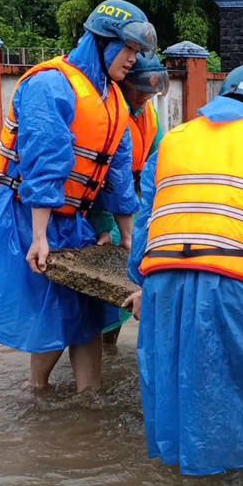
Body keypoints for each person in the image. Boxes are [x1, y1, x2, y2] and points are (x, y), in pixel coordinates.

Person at [0, 0, 158, 392]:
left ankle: (88, 396)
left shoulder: (113, 100)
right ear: (101, 41)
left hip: (70, 217)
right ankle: (37, 391)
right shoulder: (51, 85)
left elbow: (118, 180)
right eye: (127, 48)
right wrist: (40, 237)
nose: (132, 59)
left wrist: (129, 239)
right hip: (24, 212)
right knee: (54, 306)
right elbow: (45, 165)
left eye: (136, 51)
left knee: (87, 310)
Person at [124, 65, 243, 486]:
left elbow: (146, 217)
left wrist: (142, 285)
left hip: (163, 285)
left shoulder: (172, 140)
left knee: (186, 382)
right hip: (235, 284)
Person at [89, 51, 169, 345]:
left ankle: (108, 350)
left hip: (130, 206)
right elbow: (103, 177)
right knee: (95, 300)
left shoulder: (149, 116)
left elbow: (157, 168)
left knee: (126, 287)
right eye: (140, 91)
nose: (145, 97)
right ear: (124, 84)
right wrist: (103, 226)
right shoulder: (108, 112)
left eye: (150, 92)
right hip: (99, 207)